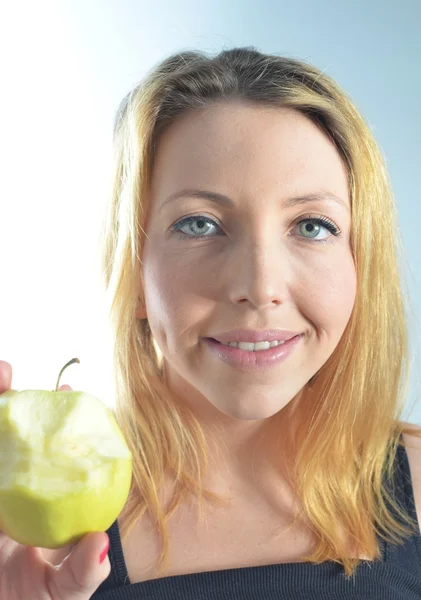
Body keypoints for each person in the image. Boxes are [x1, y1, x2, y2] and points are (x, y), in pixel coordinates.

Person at [1, 46, 421, 599]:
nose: (260, 286)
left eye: (313, 226)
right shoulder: (36, 545)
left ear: (360, 263)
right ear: (133, 273)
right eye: (199, 224)